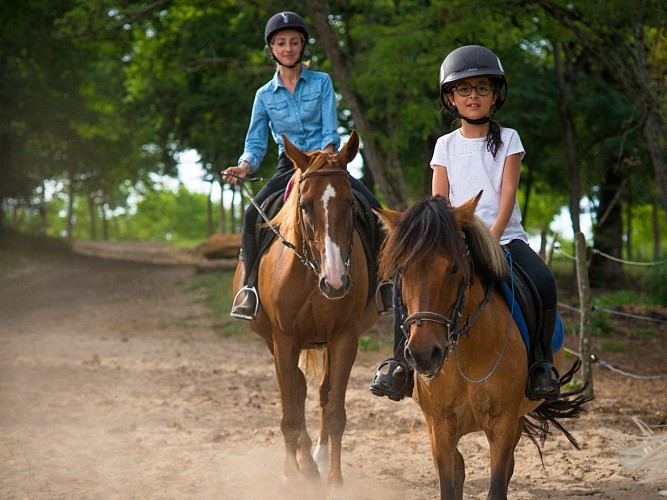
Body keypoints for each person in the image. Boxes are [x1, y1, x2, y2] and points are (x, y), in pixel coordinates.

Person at [370, 44, 561, 402]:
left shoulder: (509, 140)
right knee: (405, 286)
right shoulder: (444, 145)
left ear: (495, 95)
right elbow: (439, 201)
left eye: (482, 88)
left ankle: (540, 366)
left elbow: (506, 195)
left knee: (543, 281)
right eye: (464, 89)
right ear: (451, 98)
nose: (473, 96)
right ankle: (400, 366)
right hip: (455, 239)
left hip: (504, 238)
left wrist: (492, 236)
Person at [222, 11, 391, 320]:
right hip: (288, 164)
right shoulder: (263, 95)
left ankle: (383, 284)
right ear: (272, 48)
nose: (288, 48)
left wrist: (324, 161)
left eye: (294, 42)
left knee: (373, 208)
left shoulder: (322, 82)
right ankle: (250, 290)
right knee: (250, 217)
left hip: (327, 164)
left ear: (302, 47)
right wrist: (244, 166)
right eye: (282, 43)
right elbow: (256, 142)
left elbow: (330, 129)